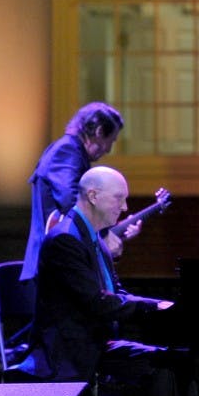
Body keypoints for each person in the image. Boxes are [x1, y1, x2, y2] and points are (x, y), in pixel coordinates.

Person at [13, 166, 199, 396]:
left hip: (96, 346)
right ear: (93, 195)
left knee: (174, 362)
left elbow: (116, 294)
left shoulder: (92, 238)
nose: (125, 208)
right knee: (162, 366)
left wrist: (158, 304)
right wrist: (149, 306)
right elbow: (96, 302)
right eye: (120, 198)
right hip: (68, 354)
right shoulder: (64, 240)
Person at [20, 102, 140, 282]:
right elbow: (72, 203)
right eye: (111, 140)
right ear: (99, 131)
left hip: (57, 265)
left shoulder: (73, 153)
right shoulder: (67, 151)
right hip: (50, 270)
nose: (108, 149)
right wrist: (105, 235)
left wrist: (110, 232)